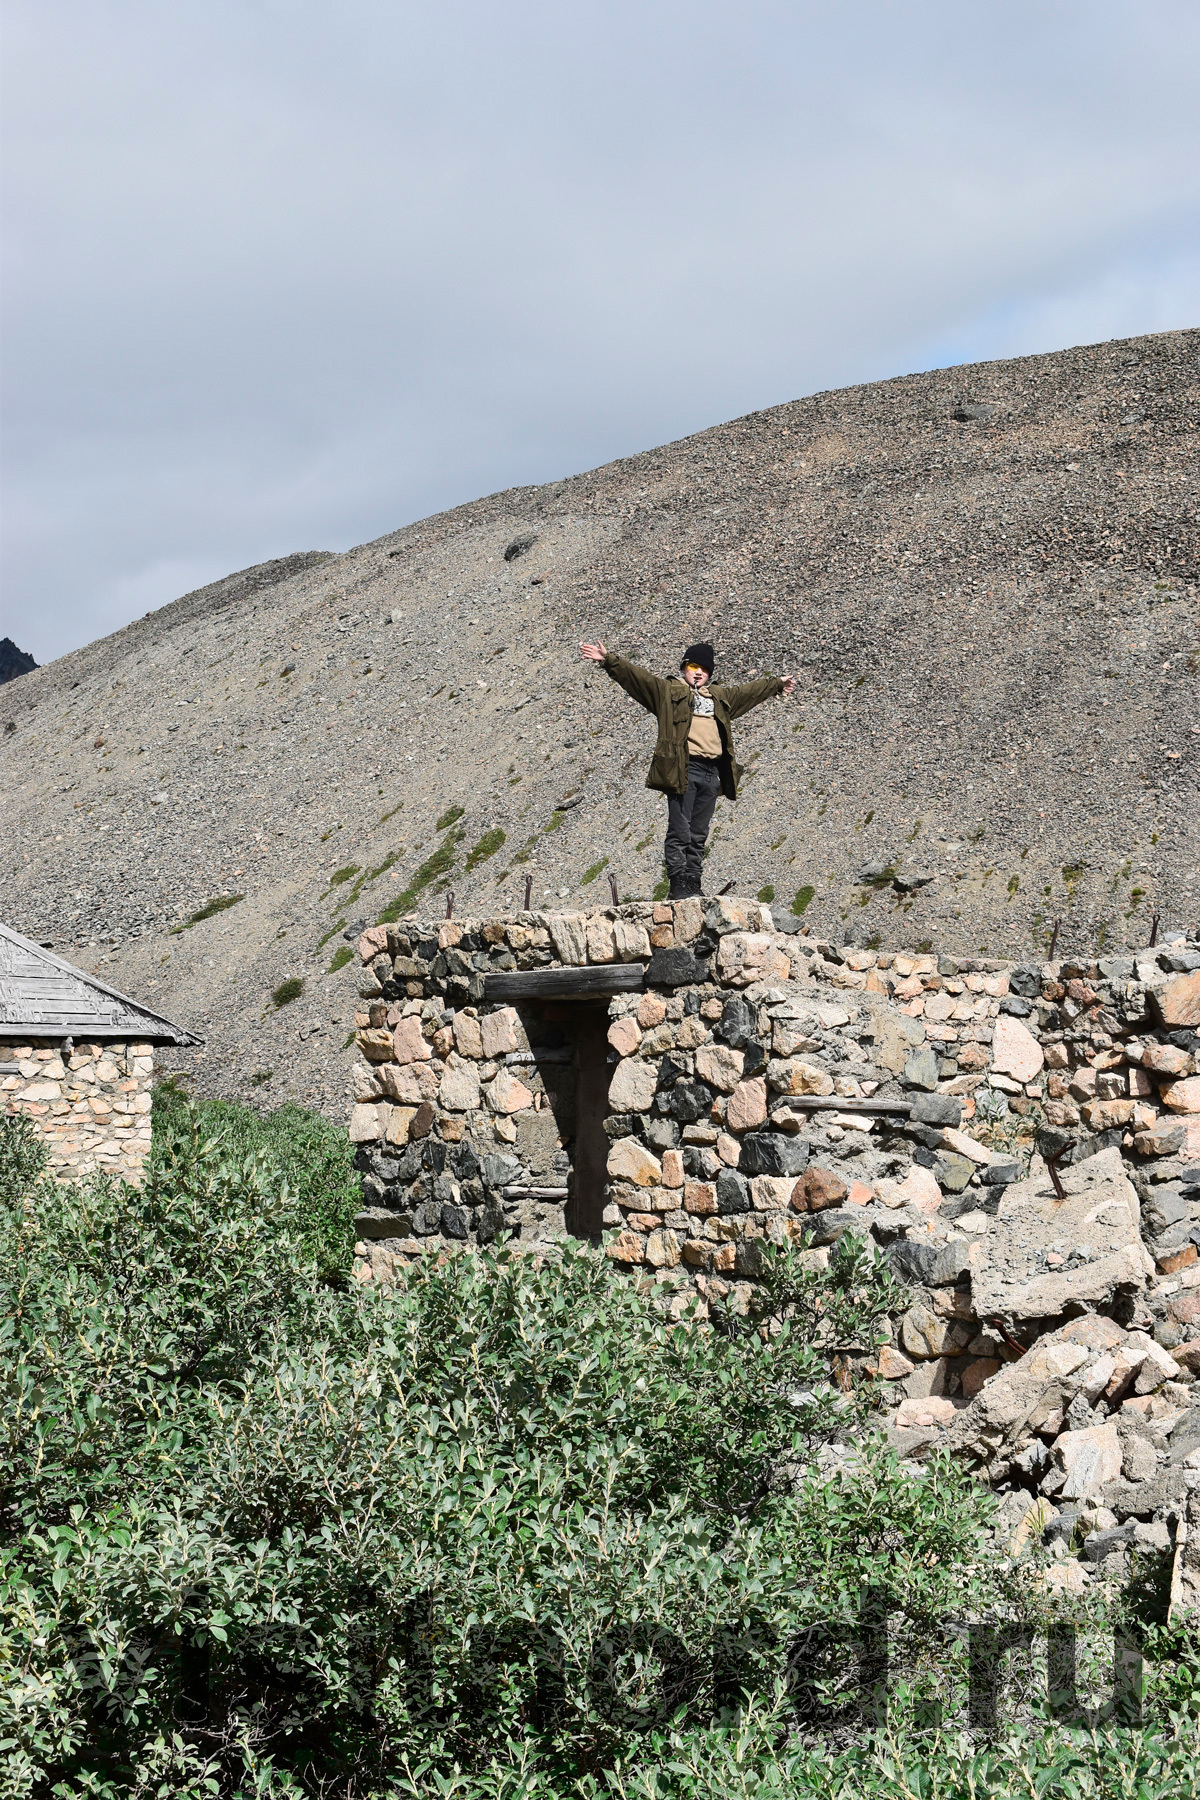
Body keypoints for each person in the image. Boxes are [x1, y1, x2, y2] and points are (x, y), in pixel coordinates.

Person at [579, 638, 795, 900]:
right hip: (684, 768)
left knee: (699, 833)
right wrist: (608, 660)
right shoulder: (667, 692)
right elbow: (638, 679)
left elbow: (750, 691)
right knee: (680, 830)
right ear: (684, 668)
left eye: (705, 668)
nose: (700, 671)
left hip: (711, 773)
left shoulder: (720, 697)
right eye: (694, 666)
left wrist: (776, 684)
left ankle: (693, 882)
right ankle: (678, 884)